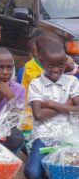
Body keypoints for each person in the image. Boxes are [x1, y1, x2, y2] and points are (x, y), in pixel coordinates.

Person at [24, 37, 79, 179]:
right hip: (43, 136)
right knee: (33, 174)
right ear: (42, 62)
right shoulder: (36, 84)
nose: (56, 70)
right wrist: (67, 105)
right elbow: (39, 114)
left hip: (68, 137)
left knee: (68, 170)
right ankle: (34, 161)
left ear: (65, 62)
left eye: (60, 65)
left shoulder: (71, 81)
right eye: (51, 65)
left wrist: (53, 104)